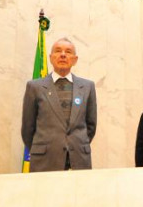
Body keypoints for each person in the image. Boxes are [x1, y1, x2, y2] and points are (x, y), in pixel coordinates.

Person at [21, 38, 97, 172]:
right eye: (58, 51)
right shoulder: (34, 87)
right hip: (44, 161)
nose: (63, 55)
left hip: (79, 160)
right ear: (50, 58)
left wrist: (75, 143)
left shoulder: (87, 87)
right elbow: (28, 128)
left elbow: (91, 125)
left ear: (75, 59)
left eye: (68, 52)